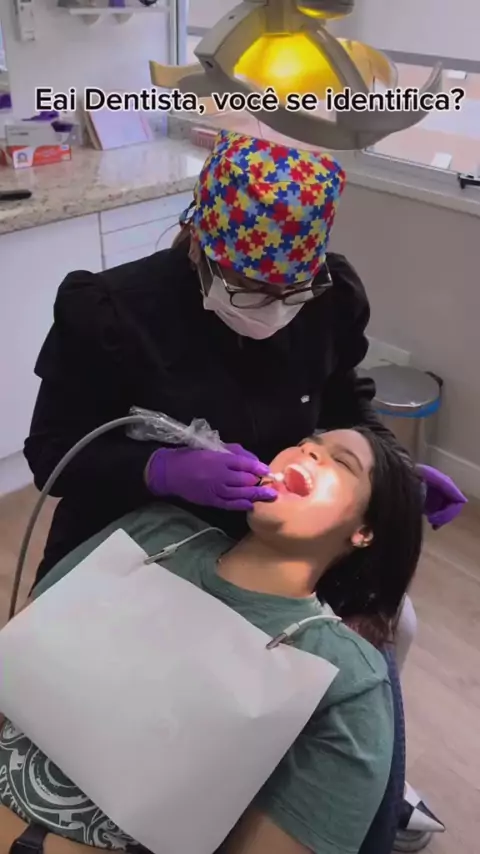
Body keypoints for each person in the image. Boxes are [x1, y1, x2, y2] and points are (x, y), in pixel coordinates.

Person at [0, 427, 424, 854]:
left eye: (342, 462)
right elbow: (15, 662)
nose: (309, 453)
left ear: (364, 531)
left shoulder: (344, 677)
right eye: (303, 445)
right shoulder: (155, 532)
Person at [24, 128, 408, 588]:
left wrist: (396, 469)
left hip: (248, 547)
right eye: (250, 290)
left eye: (291, 290)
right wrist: (158, 469)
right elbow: (51, 455)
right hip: (120, 544)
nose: (275, 308)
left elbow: (343, 400)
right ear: (198, 246)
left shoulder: (328, 299)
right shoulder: (112, 314)